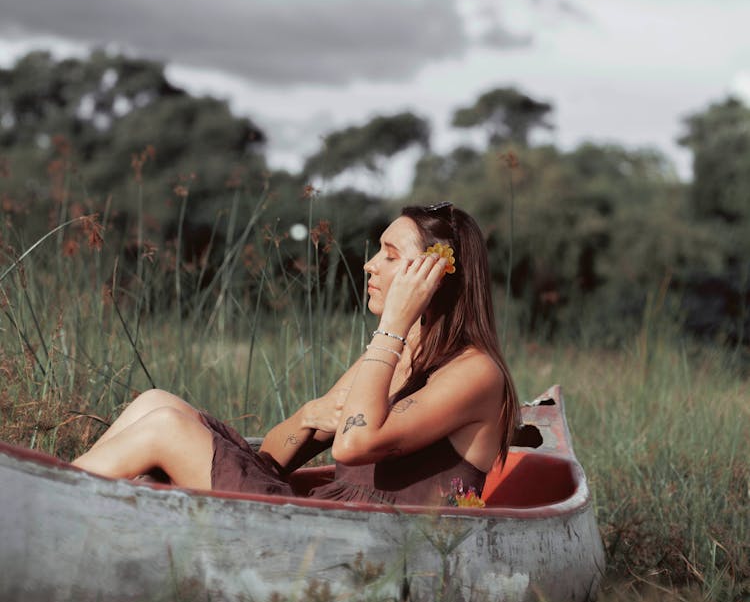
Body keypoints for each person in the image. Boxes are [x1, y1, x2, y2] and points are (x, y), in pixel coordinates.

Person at [72, 203, 519, 505]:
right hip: (313, 519)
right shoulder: (391, 356)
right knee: (156, 402)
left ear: (434, 274)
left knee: (165, 429)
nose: (369, 265)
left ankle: (48, 497)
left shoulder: (474, 372)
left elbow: (355, 443)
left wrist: (393, 327)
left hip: (362, 548)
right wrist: (309, 414)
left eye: (388, 255)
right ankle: (59, 506)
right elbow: (272, 459)